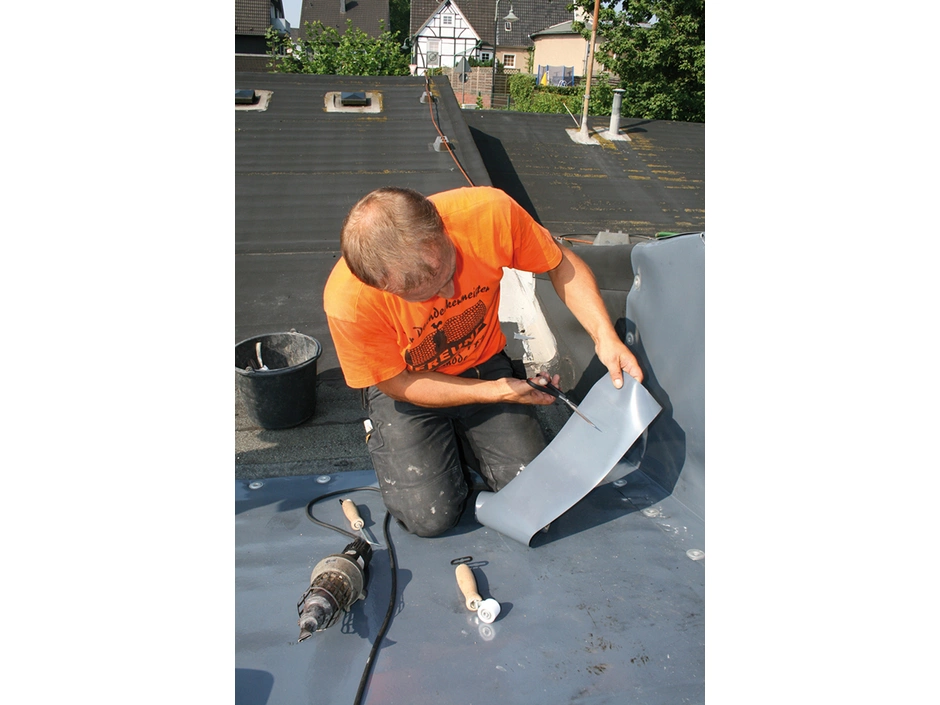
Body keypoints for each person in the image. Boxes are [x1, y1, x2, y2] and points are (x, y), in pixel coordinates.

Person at [323, 185, 642, 537]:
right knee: (429, 519)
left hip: (482, 363)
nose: (449, 293)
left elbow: (560, 262)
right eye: (427, 295)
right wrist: (499, 393)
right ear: (384, 288)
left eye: (448, 273)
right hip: (409, 387)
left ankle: (463, 438)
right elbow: (396, 383)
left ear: (441, 227)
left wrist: (605, 337)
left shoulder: (488, 213)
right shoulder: (349, 301)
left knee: (534, 501)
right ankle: (408, 435)